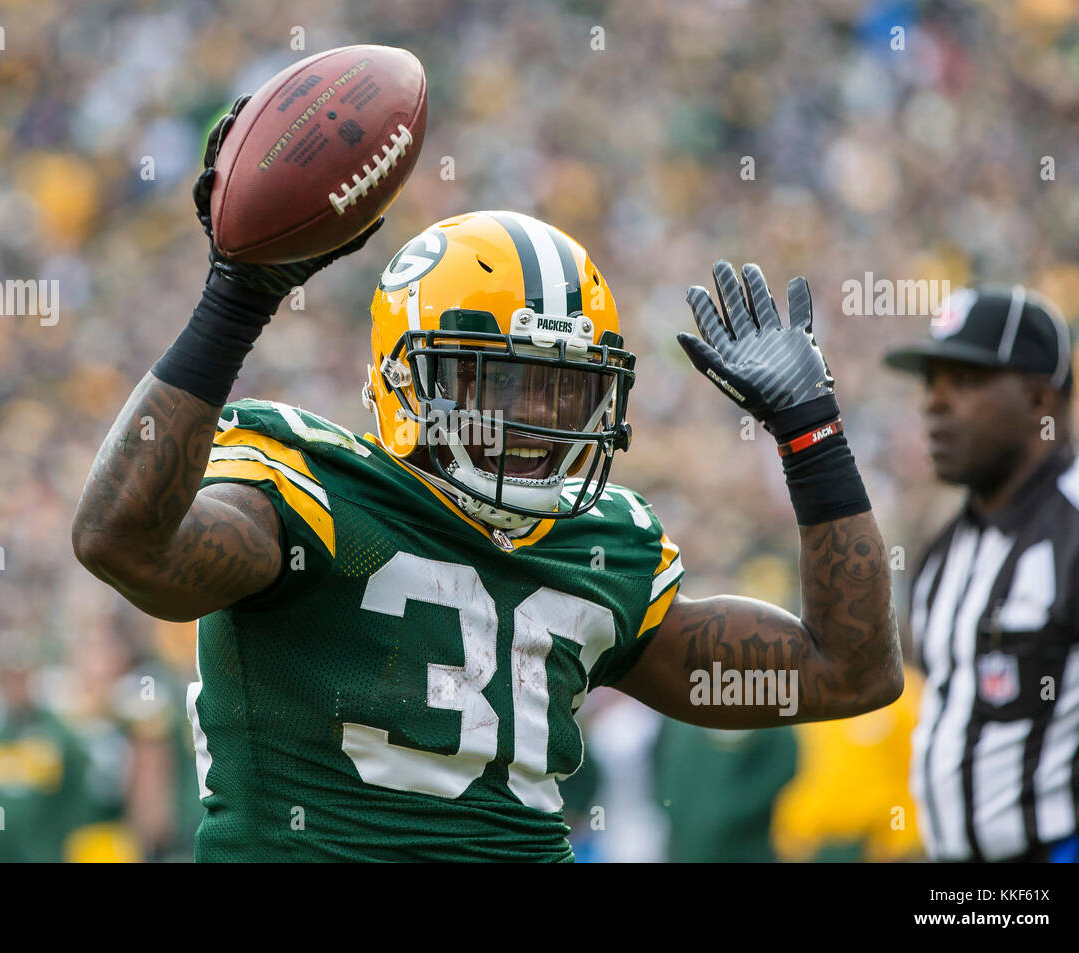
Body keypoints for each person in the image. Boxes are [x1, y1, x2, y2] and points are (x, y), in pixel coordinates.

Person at [70, 97, 902, 861]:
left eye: (566, 388)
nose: (537, 419)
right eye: (501, 383)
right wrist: (234, 301)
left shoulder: (598, 545)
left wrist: (813, 438)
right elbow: (124, 543)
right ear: (409, 380)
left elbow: (850, 672)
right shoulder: (312, 494)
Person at [883, 286, 1079, 862]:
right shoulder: (944, 551)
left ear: (1037, 399)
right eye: (931, 383)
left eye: (965, 381)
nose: (934, 403)